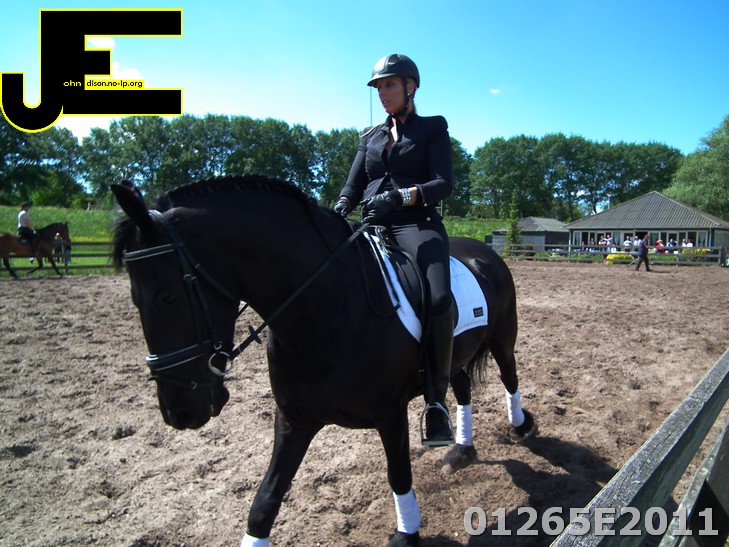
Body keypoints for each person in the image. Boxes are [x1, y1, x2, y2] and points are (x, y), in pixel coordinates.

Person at [333, 53, 455, 446]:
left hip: (415, 224)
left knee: (437, 298)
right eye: (379, 87)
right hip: (371, 223)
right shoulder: (369, 136)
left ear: (410, 87)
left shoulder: (432, 128)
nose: (383, 93)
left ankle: (436, 403)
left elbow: (443, 183)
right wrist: (340, 208)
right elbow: (353, 186)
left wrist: (401, 196)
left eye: (389, 85)